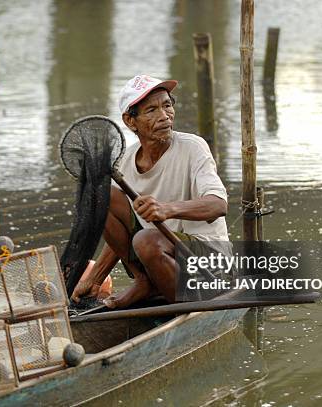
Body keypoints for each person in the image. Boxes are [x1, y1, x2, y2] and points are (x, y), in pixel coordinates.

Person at [72, 74, 230, 309]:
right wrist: (95, 279)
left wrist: (167, 209)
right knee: (100, 198)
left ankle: (184, 299)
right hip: (157, 254)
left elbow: (218, 205)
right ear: (130, 121)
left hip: (204, 262)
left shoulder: (193, 148)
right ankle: (144, 281)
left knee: (145, 239)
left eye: (167, 105)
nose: (164, 116)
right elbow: (119, 231)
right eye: (152, 110)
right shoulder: (125, 161)